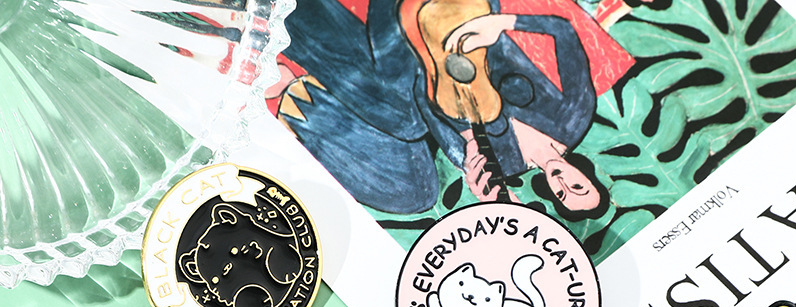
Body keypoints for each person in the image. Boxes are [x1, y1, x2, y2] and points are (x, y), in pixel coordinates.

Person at [273, 0, 645, 215]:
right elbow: (563, 32)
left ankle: (289, 15)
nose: (563, 183)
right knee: (398, 115)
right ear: (586, 173)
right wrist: (500, 24)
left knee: (403, 121)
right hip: (469, 16)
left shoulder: (505, 164)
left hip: (413, 54)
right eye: (578, 186)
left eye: (562, 193)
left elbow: (428, 105)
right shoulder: (573, 114)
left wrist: (465, 153)